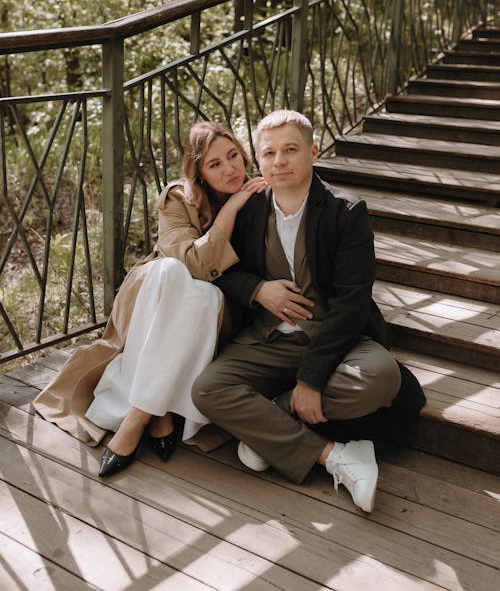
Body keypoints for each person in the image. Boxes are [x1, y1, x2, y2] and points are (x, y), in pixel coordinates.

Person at [192, 110, 425, 514]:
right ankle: (335, 456)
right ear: (259, 160)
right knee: (207, 390)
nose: (278, 161)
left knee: (382, 376)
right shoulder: (247, 209)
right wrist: (258, 289)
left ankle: (270, 421)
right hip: (269, 339)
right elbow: (222, 273)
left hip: (336, 341)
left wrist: (311, 380)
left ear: (313, 152)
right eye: (269, 152)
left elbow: (353, 301)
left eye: (290, 150)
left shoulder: (345, 212)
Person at [33, 121, 266, 477]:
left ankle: (139, 415)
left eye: (234, 156)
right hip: (159, 297)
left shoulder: (260, 196)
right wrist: (230, 209)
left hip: (218, 315)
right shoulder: (179, 198)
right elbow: (193, 263)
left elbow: (214, 278)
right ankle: (159, 411)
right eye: (215, 164)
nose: (231, 168)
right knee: (171, 272)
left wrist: (236, 204)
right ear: (199, 172)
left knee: (203, 297)